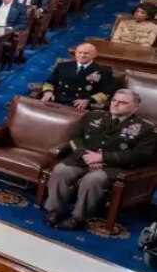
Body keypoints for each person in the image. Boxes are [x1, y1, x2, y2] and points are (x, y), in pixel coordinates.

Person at [44, 89, 157, 231]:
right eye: (114, 100)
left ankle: (78, 218)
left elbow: (139, 155)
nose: (116, 104)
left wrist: (103, 158)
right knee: (61, 170)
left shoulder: (146, 129)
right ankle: (54, 210)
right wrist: (85, 154)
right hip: (83, 159)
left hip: (111, 166)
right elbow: (75, 138)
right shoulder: (92, 115)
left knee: (92, 181)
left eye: (123, 103)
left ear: (135, 107)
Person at [41, 43, 114, 110]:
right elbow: (49, 82)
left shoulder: (104, 71)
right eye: (79, 52)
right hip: (56, 99)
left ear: (94, 55)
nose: (82, 55)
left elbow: (105, 93)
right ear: (75, 53)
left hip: (80, 105)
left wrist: (88, 101)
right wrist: (48, 92)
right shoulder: (62, 66)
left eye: (86, 53)